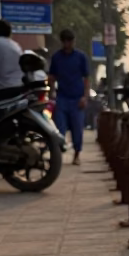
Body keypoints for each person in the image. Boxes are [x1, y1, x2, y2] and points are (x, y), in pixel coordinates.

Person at [48, 29, 90, 165]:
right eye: (66, 41)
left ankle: (77, 155)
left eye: (71, 41)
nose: (68, 44)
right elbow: (52, 77)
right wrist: (52, 93)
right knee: (59, 128)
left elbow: (87, 78)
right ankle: (58, 155)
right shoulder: (56, 58)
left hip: (77, 98)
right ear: (63, 42)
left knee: (77, 129)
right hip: (62, 98)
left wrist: (85, 96)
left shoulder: (81, 57)